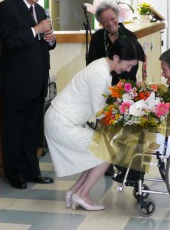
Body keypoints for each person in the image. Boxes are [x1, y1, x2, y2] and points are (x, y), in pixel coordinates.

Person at [44, 37, 140, 211]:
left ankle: (74, 192)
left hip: (61, 120)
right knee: (107, 151)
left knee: (96, 152)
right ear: (117, 57)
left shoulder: (101, 67)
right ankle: (82, 195)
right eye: (129, 65)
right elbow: (100, 112)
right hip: (62, 123)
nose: (129, 69)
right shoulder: (100, 73)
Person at [0, 0, 56, 189]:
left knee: (32, 130)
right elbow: (9, 40)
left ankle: (32, 171)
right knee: (13, 130)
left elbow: (45, 43)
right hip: (15, 83)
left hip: (37, 81)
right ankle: (14, 174)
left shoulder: (39, 9)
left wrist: (50, 38)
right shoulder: (7, 8)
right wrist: (36, 29)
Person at [87, 0, 145, 177]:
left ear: (118, 16)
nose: (110, 24)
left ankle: (123, 163)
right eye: (105, 21)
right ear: (100, 23)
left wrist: (121, 81)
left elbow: (135, 63)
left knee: (123, 128)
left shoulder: (129, 36)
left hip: (125, 87)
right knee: (105, 126)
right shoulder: (98, 38)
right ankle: (105, 163)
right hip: (105, 87)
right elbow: (91, 63)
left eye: (112, 19)